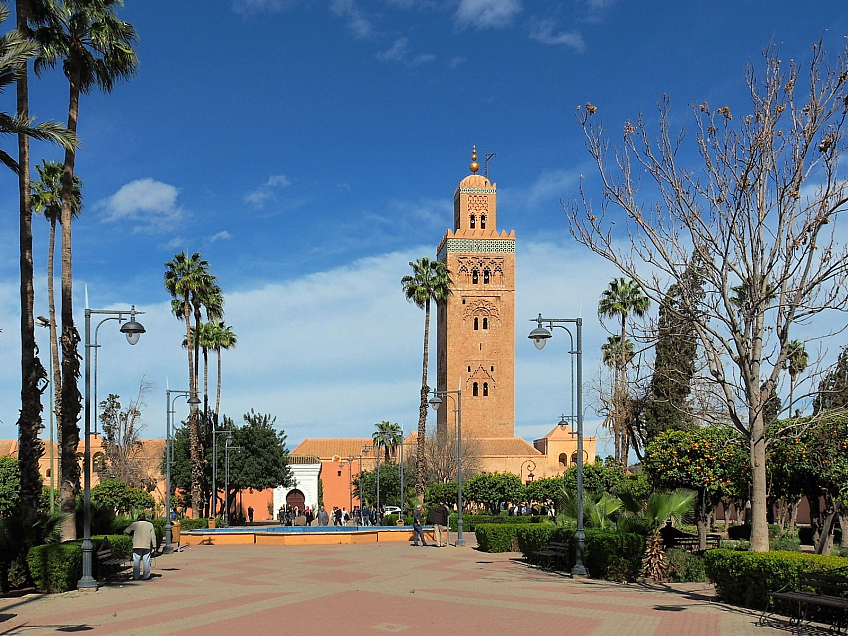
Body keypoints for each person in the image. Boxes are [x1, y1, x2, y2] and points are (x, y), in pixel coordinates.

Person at [124, 512, 157, 581]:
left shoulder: (135, 524)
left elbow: (126, 530)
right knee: (146, 560)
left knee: (136, 561)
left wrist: (132, 533)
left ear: (138, 518)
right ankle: (146, 576)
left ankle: (136, 576)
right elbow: (153, 536)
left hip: (136, 545)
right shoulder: (150, 525)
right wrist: (154, 545)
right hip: (146, 545)